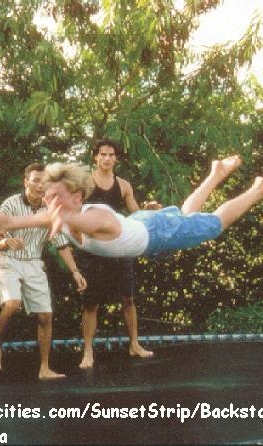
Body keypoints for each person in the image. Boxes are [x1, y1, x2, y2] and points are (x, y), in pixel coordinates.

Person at [0, 154, 263, 262]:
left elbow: (75, 224)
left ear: (76, 197)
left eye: (57, 197)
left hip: (156, 233)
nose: (50, 203)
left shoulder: (92, 216)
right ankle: (215, 174)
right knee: (186, 217)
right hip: (142, 224)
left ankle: (256, 189)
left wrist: (56, 220)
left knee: (214, 224)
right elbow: (7, 220)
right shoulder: (58, 214)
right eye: (48, 197)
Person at [0, 163, 87, 379]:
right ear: (26, 182)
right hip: (7, 259)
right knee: (12, 304)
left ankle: (44, 368)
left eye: (44, 182)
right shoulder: (11, 204)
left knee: (46, 316)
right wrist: (6, 242)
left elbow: (61, 244)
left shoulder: (51, 209)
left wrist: (75, 271)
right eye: (35, 180)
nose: (40, 185)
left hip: (33, 262)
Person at [76, 140, 153, 369]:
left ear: (116, 158)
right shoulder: (85, 183)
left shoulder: (124, 186)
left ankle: (134, 344)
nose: (107, 158)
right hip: (93, 251)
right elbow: (73, 213)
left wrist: (149, 211)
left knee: (128, 299)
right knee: (91, 304)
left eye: (111, 155)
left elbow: (137, 216)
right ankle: (88, 351)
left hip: (119, 249)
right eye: (103, 154)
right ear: (95, 157)